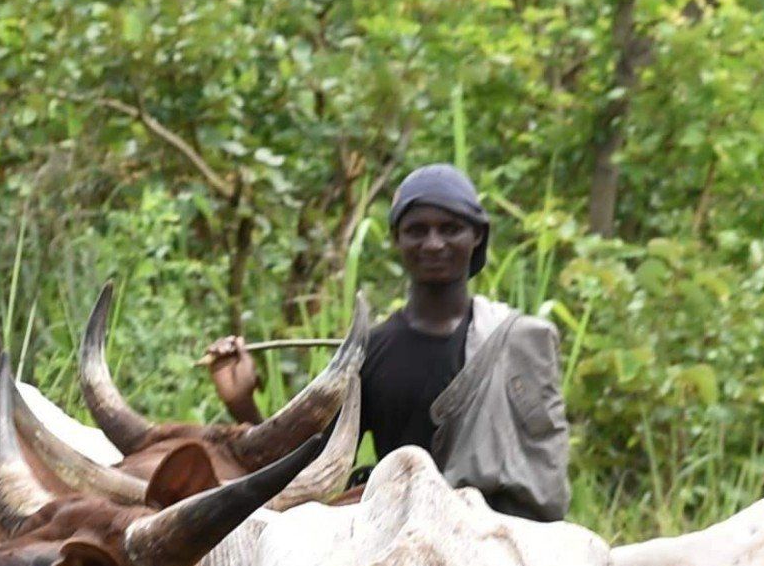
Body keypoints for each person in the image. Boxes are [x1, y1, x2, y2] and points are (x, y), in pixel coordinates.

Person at [204, 163, 569, 521]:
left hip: (502, 540)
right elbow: (311, 470)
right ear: (396, 238)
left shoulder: (518, 341)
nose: (434, 243)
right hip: (398, 535)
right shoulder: (370, 352)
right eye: (417, 230)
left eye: (451, 229)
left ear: (477, 235)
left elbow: (542, 473)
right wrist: (243, 405)